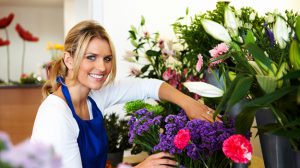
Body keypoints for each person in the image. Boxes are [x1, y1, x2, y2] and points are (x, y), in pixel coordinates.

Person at [31, 20, 215, 168]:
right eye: (91, 57)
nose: (102, 67)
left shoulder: (93, 97)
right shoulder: (55, 115)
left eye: (107, 58)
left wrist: (190, 104)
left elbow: (148, 87)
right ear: (69, 60)